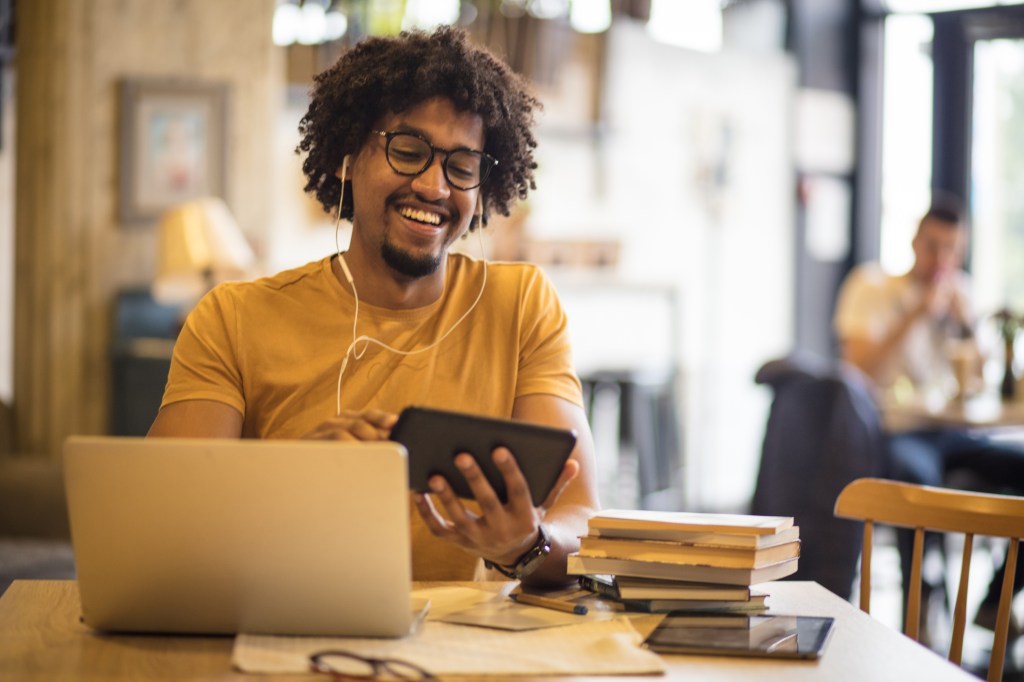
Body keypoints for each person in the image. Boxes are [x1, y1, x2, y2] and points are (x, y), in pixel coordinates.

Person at [148, 26, 600, 588]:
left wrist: (527, 545)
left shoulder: (522, 306)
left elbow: (581, 517)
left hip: (462, 655)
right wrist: (286, 478)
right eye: (408, 151)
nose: (435, 187)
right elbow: (161, 522)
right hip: (287, 632)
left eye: (462, 166)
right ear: (346, 157)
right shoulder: (233, 318)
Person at [833, 196, 1024, 634]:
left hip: (957, 433)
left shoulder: (964, 295)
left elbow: (980, 382)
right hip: (898, 430)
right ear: (915, 241)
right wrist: (916, 312)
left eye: (952, 249)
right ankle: (920, 601)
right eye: (933, 246)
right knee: (915, 480)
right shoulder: (873, 286)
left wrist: (969, 326)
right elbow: (858, 367)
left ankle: (997, 599)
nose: (941, 259)